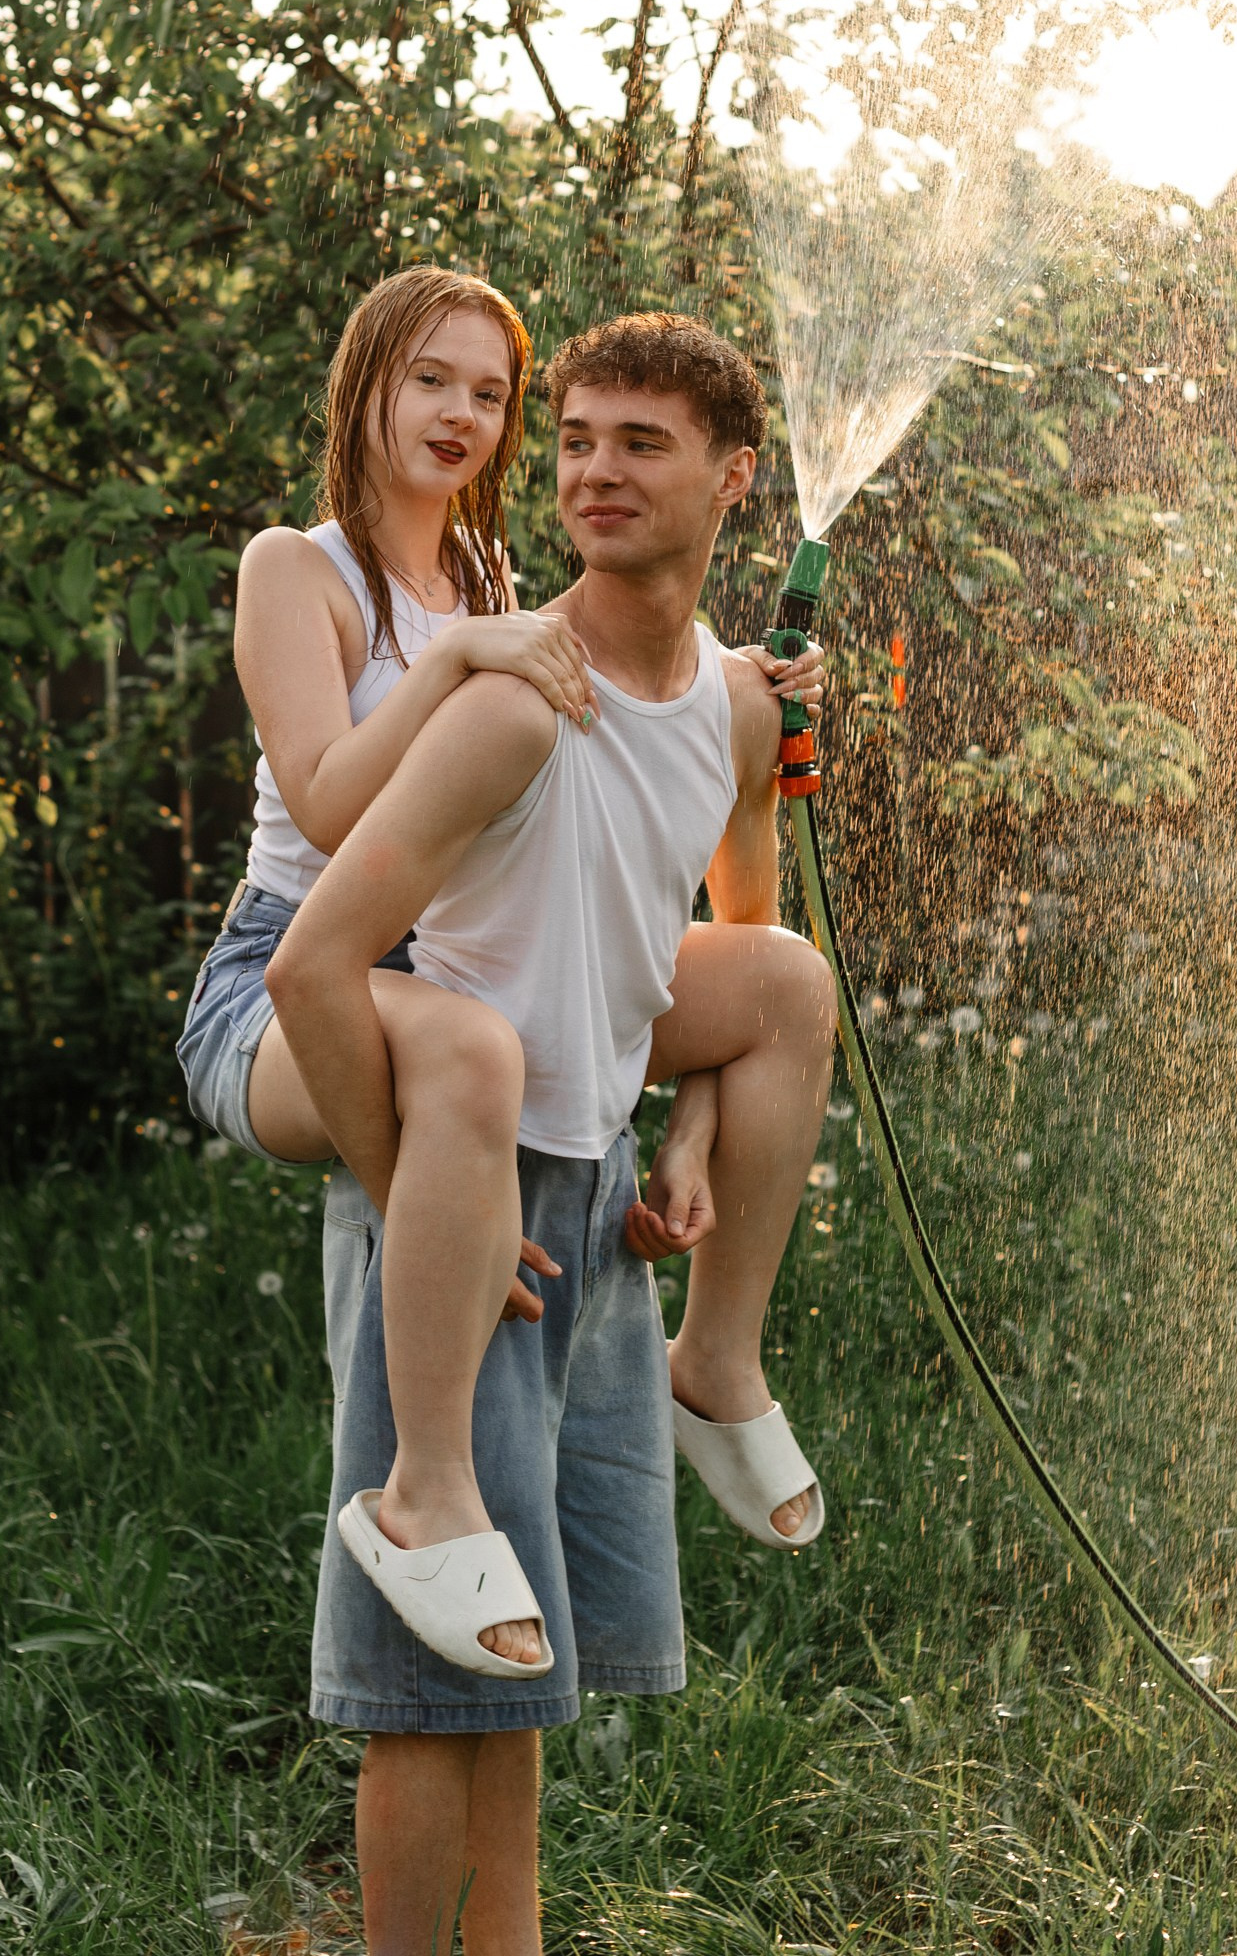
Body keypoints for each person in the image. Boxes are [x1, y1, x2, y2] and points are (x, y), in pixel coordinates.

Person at [264, 311, 835, 1953]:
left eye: (636, 444)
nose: (590, 469)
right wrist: (393, 1206)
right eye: (573, 438)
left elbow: (727, 941)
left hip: (593, 1174)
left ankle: (721, 1368)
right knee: (422, 1678)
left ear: (733, 481)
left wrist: (693, 1138)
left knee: (513, 1668)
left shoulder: (732, 706)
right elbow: (318, 961)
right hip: (459, 1183)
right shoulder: (520, 700)